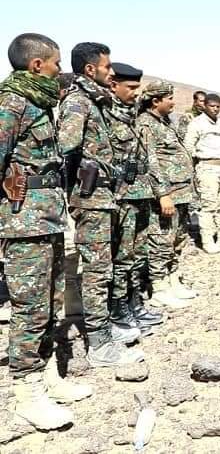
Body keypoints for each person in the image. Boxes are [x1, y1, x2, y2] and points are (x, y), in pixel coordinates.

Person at [1, 33, 92, 429]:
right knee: (29, 308)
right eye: (55, 62)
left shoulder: (38, 102)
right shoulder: (11, 103)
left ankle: (47, 373)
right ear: (37, 65)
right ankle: (26, 392)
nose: (59, 69)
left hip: (48, 217)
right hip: (23, 221)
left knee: (52, 301)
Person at [58, 42, 145, 366]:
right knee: (97, 272)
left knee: (104, 269)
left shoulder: (96, 101)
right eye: (107, 67)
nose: (111, 73)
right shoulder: (78, 102)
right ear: (90, 69)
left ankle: (104, 329)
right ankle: (99, 344)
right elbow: (64, 147)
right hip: (90, 198)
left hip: (103, 197)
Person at [103, 63, 164, 332]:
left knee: (139, 254)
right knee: (123, 256)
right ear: (113, 85)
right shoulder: (106, 114)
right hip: (122, 197)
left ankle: (134, 302)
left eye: (138, 88)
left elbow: (148, 158)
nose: (135, 93)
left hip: (141, 194)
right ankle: (118, 308)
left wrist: (160, 191)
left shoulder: (133, 115)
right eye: (130, 87)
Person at [137, 81, 196, 309]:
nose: (173, 102)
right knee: (161, 241)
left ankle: (173, 279)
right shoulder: (146, 125)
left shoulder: (164, 122)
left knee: (177, 239)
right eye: (169, 98)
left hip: (181, 193)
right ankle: (159, 287)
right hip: (167, 195)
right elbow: (150, 163)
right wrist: (162, 194)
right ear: (155, 101)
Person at [183, 93, 220, 254]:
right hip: (207, 167)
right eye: (212, 106)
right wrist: (194, 167)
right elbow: (188, 147)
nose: (215, 109)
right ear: (205, 106)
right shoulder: (197, 123)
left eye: (217, 106)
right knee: (208, 206)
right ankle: (207, 240)